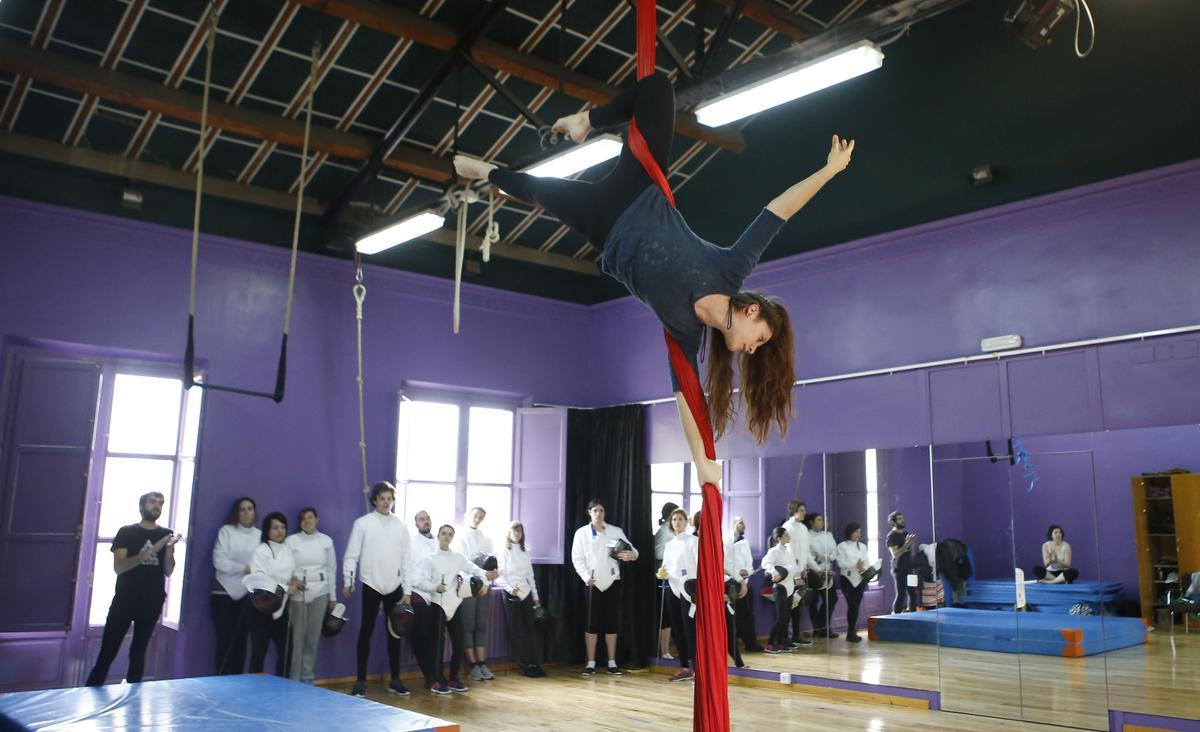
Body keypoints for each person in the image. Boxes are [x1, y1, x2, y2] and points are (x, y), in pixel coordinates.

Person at [454, 72, 855, 485]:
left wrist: (701, 463)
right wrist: (830, 171)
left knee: (537, 191)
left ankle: (486, 172)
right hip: (640, 188)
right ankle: (586, 122)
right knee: (658, 88)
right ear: (752, 310)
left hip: (604, 227)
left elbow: (687, 400)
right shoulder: (730, 269)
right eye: (761, 338)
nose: (753, 350)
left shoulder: (685, 334)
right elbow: (779, 211)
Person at [85, 492, 178, 686]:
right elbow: (119, 567)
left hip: (152, 600)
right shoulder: (127, 532)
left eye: (161, 503)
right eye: (153, 502)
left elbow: (168, 570)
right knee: (108, 650)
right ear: (142, 506)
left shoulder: (165, 534)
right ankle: (91, 690)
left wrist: (168, 550)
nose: (157, 506)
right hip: (125, 599)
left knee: (139, 652)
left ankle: (133, 698)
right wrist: (151, 551)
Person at [342, 481, 414, 697]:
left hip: (394, 587)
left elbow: (407, 560)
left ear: (392, 500)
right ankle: (361, 680)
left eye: (389, 498)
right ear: (374, 500)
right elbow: (351, 555)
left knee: (395, 634)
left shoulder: (401, 525)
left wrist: (408, 590)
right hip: (371, 584)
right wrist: (349, 581)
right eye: (381, 498)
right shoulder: (363, 523)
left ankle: (395, 679)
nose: (385, 502)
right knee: (366, 631)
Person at [414, 524, 489, 694]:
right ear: (439, 536)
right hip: (437, 605)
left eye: (450, 534)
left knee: (458, 642)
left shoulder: (458, 558)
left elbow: (477, 570)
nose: (446, 537)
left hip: (454, 605)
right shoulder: (429, 559)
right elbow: (420, 582)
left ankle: (454, 678)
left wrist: (484, 583)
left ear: (452, 538)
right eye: (444, 534)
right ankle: (437, 680)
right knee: (437, 645)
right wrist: (435, 587)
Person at [570, 499, 638, 676]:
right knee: (591, 624)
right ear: (589, 512)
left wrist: (632, 555)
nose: (598, 514)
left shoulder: (615, 531)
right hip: (592, 583)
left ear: (604, 512)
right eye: (595, 510)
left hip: (612, 582)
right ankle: (591, 663)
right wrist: (585, 577)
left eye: (601, 510)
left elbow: (634, 551)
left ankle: (612, 662)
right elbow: (577, 558)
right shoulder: (582, 533)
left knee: (611, 623)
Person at [245, 511, 301, 676]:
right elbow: (261, 580)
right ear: (267, 530)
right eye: (275, 527)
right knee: (259, 651)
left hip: (281, 608)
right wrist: (285, 588)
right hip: (260, 608)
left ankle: (281, 688)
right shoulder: (260, 551)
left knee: (286, 652)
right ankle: (254, 690)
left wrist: (295, 581)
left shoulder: (287, 550)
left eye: (283, 527)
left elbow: (290, 572)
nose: (279, 531)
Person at [285, 507, 336, 683]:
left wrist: (333, 597)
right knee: (298, 638)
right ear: (300, 522)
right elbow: (286, 566)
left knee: (312, 639)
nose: (307, 521)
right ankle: (294, 678)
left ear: (316, 519)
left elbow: (331, 570)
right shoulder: (291, 541)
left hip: (321, 591)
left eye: (310, 517)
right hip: (299, 591)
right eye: (303, 518)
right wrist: (292, 581)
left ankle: (307, 678)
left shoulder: (326, 541)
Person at [211, 496, 260, 674]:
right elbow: (219, 561)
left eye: (250, 509)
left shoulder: (260, 535)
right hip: (223, 593)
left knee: (241, 642)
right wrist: (244, 568)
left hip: (248, 595)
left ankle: (237, 681)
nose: (246, 513)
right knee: (224, 641)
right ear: (236, 513)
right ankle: (220, 681)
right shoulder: (227, 531)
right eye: (242, 509)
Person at [453, 507, 500, 681]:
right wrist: (476, 583)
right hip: (467, 585)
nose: (478, 519)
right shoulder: (461, 536)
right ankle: (472, 665)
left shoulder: (486, 538)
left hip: (484, 587)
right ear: (469, 516)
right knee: (469, 625)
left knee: (481, 624)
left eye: (481, 517)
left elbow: (490, 563)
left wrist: (486, 584)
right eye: (475, 516)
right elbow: (464, 563)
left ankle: (481, 663)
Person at [497, 521, 546, 678]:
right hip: (511, 594)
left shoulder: (525, 552)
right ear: (509, 533)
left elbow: (530, 577)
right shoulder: (504, 551)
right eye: (514, 530)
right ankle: (525, 664)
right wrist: (509, 588)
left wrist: (536, 597)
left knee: (530, 631)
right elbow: (499, 576)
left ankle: (534, 663)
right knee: (517, 631)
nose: (517, 533)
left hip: (525, 595)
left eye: (519, 531)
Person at [660, 508, 697, 682]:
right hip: (672, 589)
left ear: (686, 522)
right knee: (677, 629)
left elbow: (699, 566)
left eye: (680, 519)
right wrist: (662, 573)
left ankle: (698, 669)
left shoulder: (694, 541)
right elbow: (666, 566)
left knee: (690, 629)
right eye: (674, 520)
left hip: (689, 590)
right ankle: (684, 667)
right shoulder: (669, 544)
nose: (677, 522)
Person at [408, 509, 440, 689]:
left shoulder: (437, 542)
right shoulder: (412, 543)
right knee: (421, 637)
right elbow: (410, 570)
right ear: (416, 523)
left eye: (428, 518)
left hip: (436, 595)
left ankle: (436, 674)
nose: (426, 521)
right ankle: (428, 675)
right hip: (418, 592)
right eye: (422, 519)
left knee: (435, 638)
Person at [780, 501, 817, 646]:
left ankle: (796, 635)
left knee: (798, 606)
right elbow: (788, 552)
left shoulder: (803, 528)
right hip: (789, 574)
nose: (804, 513)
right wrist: (796, 572)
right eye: (801, 510)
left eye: (804, 510)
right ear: (794, 511)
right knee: (788, 607)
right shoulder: (787, 527)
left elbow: (805, 553)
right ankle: (786, 638)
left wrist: (813, 569)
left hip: (801, 573)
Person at [760, 526, 801, 654]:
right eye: (786, 535)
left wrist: (794, 574)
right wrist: (775, 572)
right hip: (780, 588)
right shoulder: (774, 551)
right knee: (780, 618)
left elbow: (794, 568)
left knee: (786, 617)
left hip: (789, 587)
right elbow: (765, 563)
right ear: (779, 538)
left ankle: (782, 641)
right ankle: (770, 644)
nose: (789, 537)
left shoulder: (788, 551)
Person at [725, 516, 762, 653]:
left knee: (748, 615)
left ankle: (751, 643)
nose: (743, 525)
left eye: (743, 523)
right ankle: (734, 645)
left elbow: (749, 561)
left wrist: (748, 571)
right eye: (740, 523)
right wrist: (738, 574)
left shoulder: (745, 542)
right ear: (734, 524)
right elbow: (727, 562)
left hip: (745, 581)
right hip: (732, 582)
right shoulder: (726, 541)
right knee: (736, 616)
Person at [805, 513, 839, 638]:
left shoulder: (828, 535)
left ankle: (823, 626)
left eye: (823, 520)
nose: (822, 522)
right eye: (819, 520)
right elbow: (808, 555)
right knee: (813, 601)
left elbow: (835, 552)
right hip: (814, 571)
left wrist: (826, 557)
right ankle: (817, 628)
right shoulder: (807, 535)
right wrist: (818, 564)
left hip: (828, 570)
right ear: (811, 522)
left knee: (832, 599)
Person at [836, 523, 871, 643]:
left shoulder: (862, 546)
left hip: (860, 579)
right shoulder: (842, 546)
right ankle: (850, 632)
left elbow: (866, 561)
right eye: (856, 531)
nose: (858, 534)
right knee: (852, 605)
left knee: (856, 606)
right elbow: (841, 563)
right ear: (849, 532)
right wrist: (855, 564)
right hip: (847, 579)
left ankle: (852, 631)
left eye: (860, 531)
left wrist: (863, 568)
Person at [654, 501, 680, 659]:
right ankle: (663, 650)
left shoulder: (671, 531)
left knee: (669, 616)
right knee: (664, 616)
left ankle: (665, 650)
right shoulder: (664, 531)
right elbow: (657, 552)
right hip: (663, 578)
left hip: (673, 578)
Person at [886, 511, 921, 613]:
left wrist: (911, 544)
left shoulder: (906, 534)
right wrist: (907, 544)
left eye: (903, 518)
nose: (903, 520)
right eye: (900, 519)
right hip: (899, 569)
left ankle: (913, 618)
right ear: (893, 522)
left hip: (910, 568)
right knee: (901, 595)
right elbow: (895, 554)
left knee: (913, 594)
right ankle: (896, 618)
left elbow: (910, 551)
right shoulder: (891, 536)